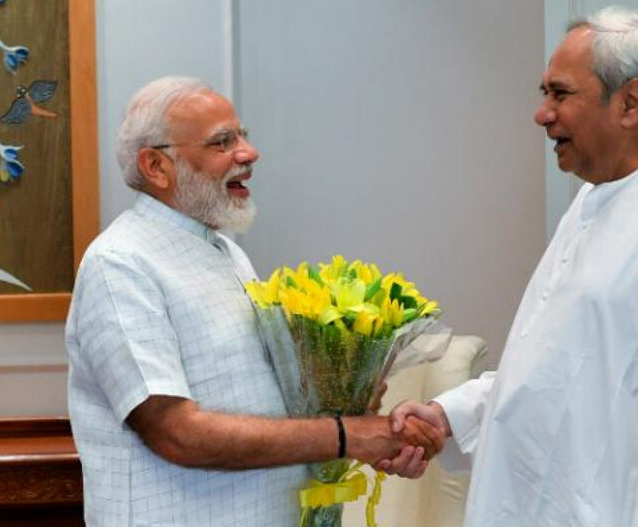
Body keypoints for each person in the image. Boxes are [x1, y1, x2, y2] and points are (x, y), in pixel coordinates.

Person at [386, 6, 638, 526]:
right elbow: (557, 372)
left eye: (560, 93)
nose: (542, 113)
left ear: (631, 103)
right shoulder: (591, 205)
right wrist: (449, 416)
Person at [65, 77, 441, 526]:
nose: (248, 153)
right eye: (222, 142)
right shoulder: (120, 263)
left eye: (243, 136)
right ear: (156, 166)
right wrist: (344, 435)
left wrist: (353, 406)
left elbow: (257, 399)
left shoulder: (226, 252)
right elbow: (177, 433)